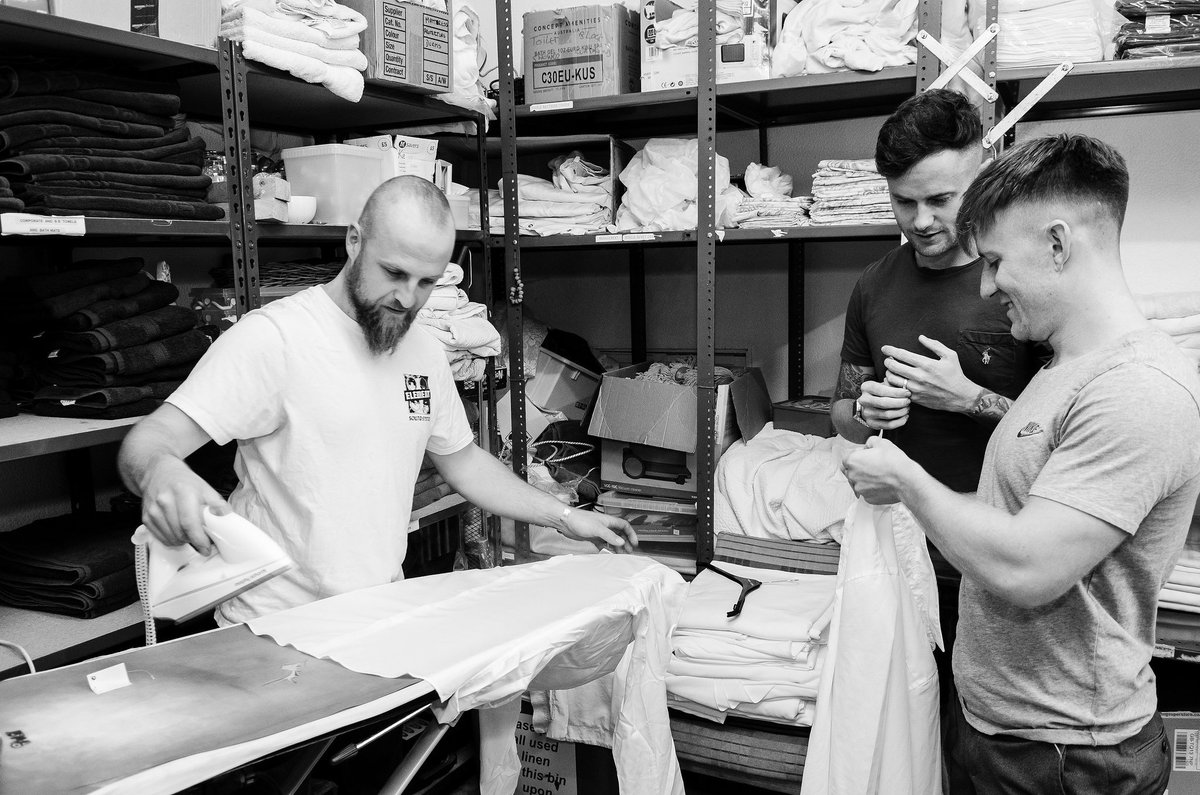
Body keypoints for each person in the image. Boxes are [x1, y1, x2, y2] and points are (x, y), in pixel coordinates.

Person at [843, 133, 1200, 793]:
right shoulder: (1062, 364)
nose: (985, 283)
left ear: (1058, 244)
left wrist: (905, 479)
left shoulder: (1139, 388)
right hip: (1006, 732)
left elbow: (1028, 566)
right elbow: (1012, 508)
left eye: (996, 260)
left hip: (1067, 757)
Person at [118, 176, 637, 627]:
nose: (408, 299)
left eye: (427, 282)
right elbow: (149, 441)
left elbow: (463, 462)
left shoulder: (425, 351)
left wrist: (565, 518)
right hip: (275, 623)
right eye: (393, 273)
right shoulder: (274, 339)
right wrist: (162, 473)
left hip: (376, 611)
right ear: (353, 241)